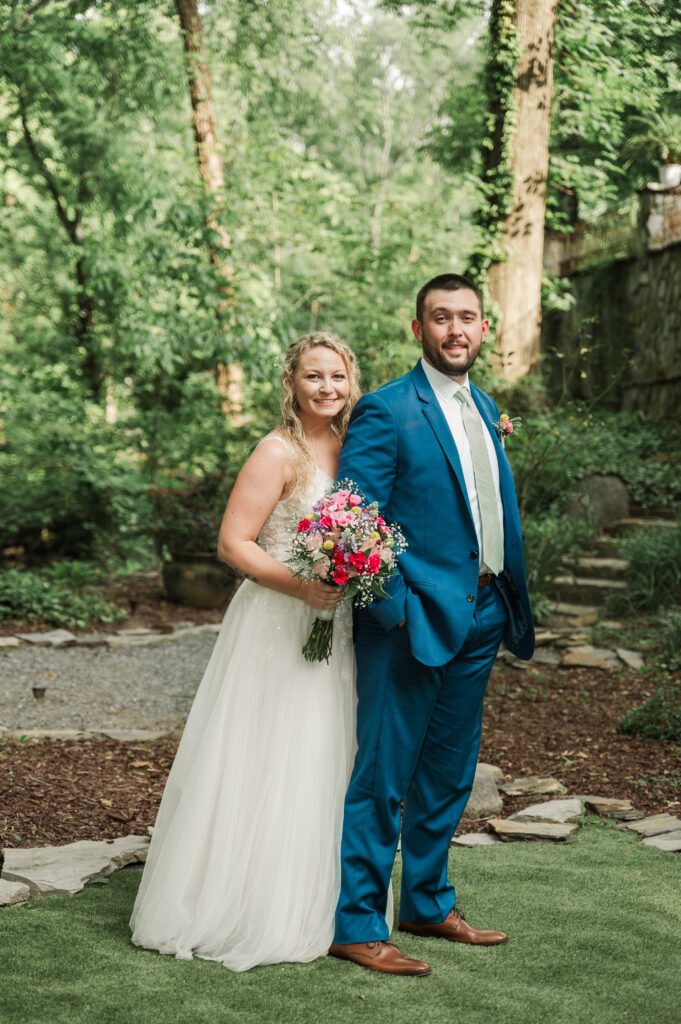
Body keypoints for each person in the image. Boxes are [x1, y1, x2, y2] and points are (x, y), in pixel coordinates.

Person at [130, 331, 361, 971]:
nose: (327, 388)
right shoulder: (277, 449)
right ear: (292, 383)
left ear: (351, 381)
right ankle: (237, 899)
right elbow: (234, 543)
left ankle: (304, 895)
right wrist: (303, 586)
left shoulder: (353, 446)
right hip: (277, 621)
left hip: (331, 622)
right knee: (265, 752)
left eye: (337, 377)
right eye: (314, 377)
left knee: (316, 753)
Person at [329, 273, 535, 977]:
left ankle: (423, 900)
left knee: (447, 774)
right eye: (440, 318)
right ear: (417, 329)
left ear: (484, 329)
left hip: (482, 615)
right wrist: (397, 611)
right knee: (383, 776)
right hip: (408, 621)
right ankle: (357, 922)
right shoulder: (388, 410)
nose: (455, 330)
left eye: (467, 318)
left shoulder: (484, 407)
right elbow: (352, 522)